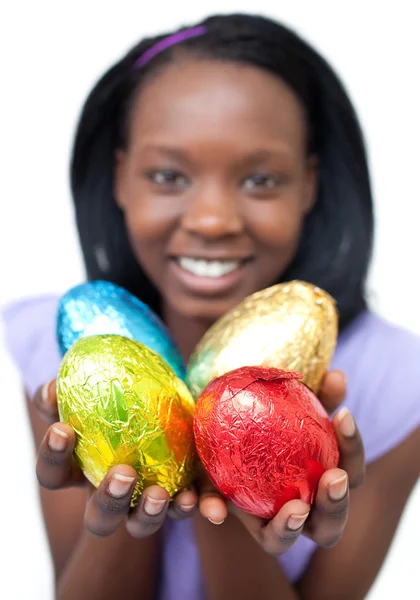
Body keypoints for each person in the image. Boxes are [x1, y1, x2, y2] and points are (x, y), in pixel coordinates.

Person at [3, 12, 420, 600]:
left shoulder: (396, 383)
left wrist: (223, 483)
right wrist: (146, 466)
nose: (212, 221)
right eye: (169, 175)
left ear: (310, 184)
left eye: (260, 181)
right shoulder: (67, 347)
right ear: (121, 177)